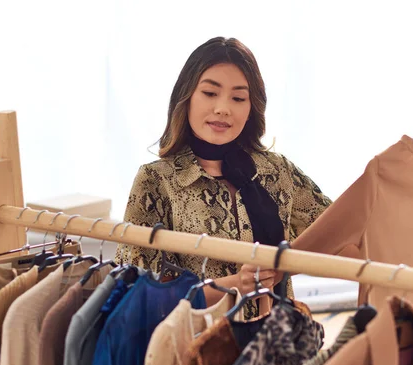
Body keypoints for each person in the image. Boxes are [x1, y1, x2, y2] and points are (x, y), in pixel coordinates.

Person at [115, 36, 331, 319]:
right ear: (187, 97)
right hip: (203, 352)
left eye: (238, 98)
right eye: (210, 93)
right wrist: (235, 285)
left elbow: (334, 230)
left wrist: (281, 264)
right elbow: (143, 295)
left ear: (251, 107)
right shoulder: (156, 180)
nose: (223, 109)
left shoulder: (277, 171)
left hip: (280, 345)